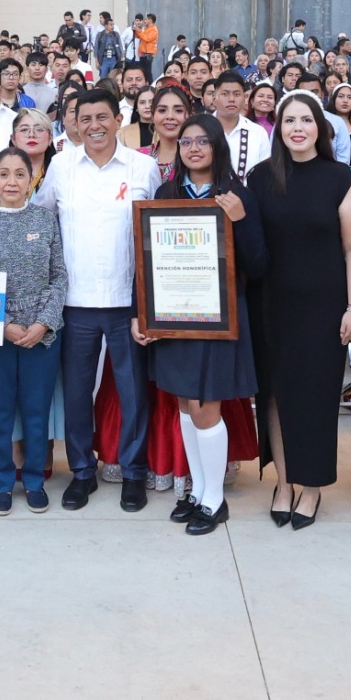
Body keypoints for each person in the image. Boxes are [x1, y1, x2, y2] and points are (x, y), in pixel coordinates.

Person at [33, 88, 161, 512]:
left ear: (118, 118)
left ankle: (133, 473)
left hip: (128, 301)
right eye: (84, 118)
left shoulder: (143, 167)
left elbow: (154, 235)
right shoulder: (61, 166)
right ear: (73, 122)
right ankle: (82, 472)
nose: (94, 126)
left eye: (102, 117)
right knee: (76, 393)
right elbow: (40, 218)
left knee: (132, 393)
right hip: (75, 301)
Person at [135, 115, 265, 535]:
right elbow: (147, 259)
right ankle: (197, 490)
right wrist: (143, 312)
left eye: (202, 141)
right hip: (175, 315)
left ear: (216, 147)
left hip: (218, 317)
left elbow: (259, 264)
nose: (193, 148)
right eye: (187, 141)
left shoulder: (236, 194)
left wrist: (241, 219)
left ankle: (214, 500)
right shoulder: (166, 193)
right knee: (185, 405)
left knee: (207, 407)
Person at [250, 93, 351, 530]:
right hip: (270, 304)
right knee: (275, 394)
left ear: (320, 127)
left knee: (315, 397)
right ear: (279, 128)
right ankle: (283, 482)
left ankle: (311, 486)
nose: (297, 127)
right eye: (289, 119)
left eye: (306, 119)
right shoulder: (261, 177)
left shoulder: (338, 178)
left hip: (324, 306)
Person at [0, 147, 67, 516]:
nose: (11, 181)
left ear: (31, 179)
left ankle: (35, 479)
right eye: (4, 174)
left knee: (37, 411)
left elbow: (59, 277)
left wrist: (42, 323)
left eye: (19, 174)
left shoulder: (45, 220)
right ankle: (2, 482)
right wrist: (3, 325)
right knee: (1, 411)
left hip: (42, 334)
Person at [207, 71, 270, 182]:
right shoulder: (200, 129)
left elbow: (265, 175)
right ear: (214, 98)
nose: (231, 99)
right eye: (225, 94)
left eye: (237, 94)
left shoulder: (258, 133)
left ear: (244, 98)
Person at [142, 85, 191, 185]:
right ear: (152, 116)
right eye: (162, 110)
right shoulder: (138, 158)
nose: (170, 116)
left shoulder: (198, 157)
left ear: (190, 115)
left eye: (178, 111)